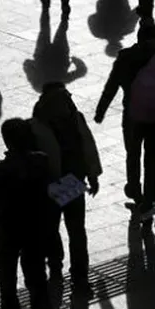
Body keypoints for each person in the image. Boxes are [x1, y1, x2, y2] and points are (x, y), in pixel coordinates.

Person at [0, 118, 58, 309]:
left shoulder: (0, 168)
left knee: (7, 283)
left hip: (7, 231)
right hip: (34, 231)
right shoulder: (41, 161)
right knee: (37, 282)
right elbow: (53, 190)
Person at [31, 82, 102, 294]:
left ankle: (61, 270)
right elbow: (87, 144)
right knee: (73, 231)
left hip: (59, 183)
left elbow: (87, 145)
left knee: (58, 230)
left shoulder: (40, 122)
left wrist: (92, 174)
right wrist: (91, 174)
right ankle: (73, 275)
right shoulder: (68, 117)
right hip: (65, 182)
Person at [94, 24, 155, 208]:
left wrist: (101, 110)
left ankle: (136, 191)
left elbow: (112, 85)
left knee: (133, 154)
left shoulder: (124, 57)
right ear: (150, 40)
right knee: (151, 157)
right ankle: (149, 197)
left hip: (132, 115)